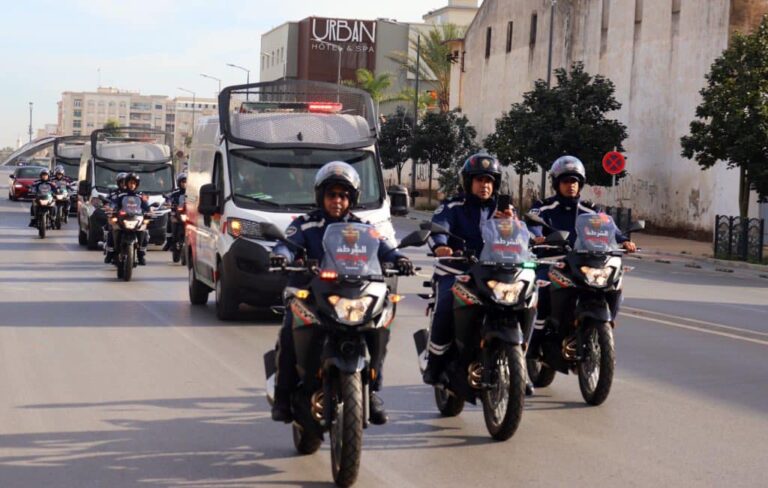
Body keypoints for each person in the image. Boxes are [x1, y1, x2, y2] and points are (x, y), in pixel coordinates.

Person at [268, 161, 414, 424]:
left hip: (351, 291)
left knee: (379, 327)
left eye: (343, 196)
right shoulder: (305, 224)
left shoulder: (362, 227)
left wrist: (399, 259)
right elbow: (286, 245)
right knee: (290, 331)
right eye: (332, 195)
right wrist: (281, 256)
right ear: (321, 196)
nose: (337, 201)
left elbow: (383, 248)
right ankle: (282, 396)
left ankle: (372, 390)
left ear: (351, 199)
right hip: (309, 291)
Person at [421, 153, 517, 386]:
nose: (485, 185)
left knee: (525, 300)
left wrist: (510, 223)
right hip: (456, 271)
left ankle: (520, 364)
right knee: (446, 304)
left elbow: (520, 240)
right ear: (468, 182)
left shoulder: (503, 209)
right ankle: (434, 363)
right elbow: (437, 228)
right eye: (479, 180)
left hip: (494, 272)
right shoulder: (452, 206)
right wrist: (441, 246)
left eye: (489, 181)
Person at [527, 155, 637, 336]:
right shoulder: (544, 207)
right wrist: (538, 237)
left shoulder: (591, 209)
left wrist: (624, 240)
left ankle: (606, 321)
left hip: (584, 261)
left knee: (613, 283)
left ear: (580, 184)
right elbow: (532, 225)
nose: (571, 185)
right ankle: (536, 338)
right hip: (553, 261)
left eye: (574, 181)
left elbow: (609, 228)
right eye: (566, 181)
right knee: (543, 288)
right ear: (557, 183)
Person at [112, 172, 150, 265]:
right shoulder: (121, 195)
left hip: (136, 218)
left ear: (136, 184)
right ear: (127, 184)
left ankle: (141, 254)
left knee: (144, 231)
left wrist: (150, 210)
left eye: (134, 183)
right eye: (130, 183)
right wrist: (111, 208)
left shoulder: (140, 196)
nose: (132, 185)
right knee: (115, 229)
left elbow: (146, 206)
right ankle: (114, 252)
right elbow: (114, 203)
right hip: (124, 218)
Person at [104, 173, 128, 264]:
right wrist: (107, 206)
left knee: (142, 229)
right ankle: (110, 253)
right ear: (118, 183)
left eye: (125, 182)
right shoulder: (114, 193)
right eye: (122, 182)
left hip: (130, 216)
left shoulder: (132, 193)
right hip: (117, 216)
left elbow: (140, 203)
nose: (124, 184)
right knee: (111, 229)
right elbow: (108, 201)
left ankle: (141, 252)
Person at [163, 172, 187, 251]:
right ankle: (169, 242)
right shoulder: (175, 193)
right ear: (179, 183)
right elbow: (168, 199)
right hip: (176, 213)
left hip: (187, 214)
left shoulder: (191, 193)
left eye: (186, 182)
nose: (185, 184)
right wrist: (168, 203)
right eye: (183, 182)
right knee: (170, 219)